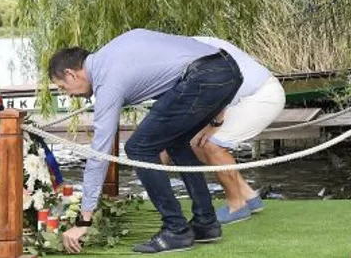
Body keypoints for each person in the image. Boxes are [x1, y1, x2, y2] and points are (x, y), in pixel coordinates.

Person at [50, 30, 241, 254]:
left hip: (203, 77)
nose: (68, 95)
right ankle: (206, 222)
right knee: (176, 140)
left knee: (138, 148)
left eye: (62, 87)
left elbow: (99, 153)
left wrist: (85, 219)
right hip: (228, 69)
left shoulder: (107, 82)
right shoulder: (115, 49)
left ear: (71, 74)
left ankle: (176, 230)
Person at [188, 36, 285, 223]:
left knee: (211, 145)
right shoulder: (187, 47)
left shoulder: (194, 51)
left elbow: (220, 87)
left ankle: (236, 206)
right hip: (244, 97)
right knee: (196, 143)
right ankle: (249, 197)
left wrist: (215, 123)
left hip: (260, 95)